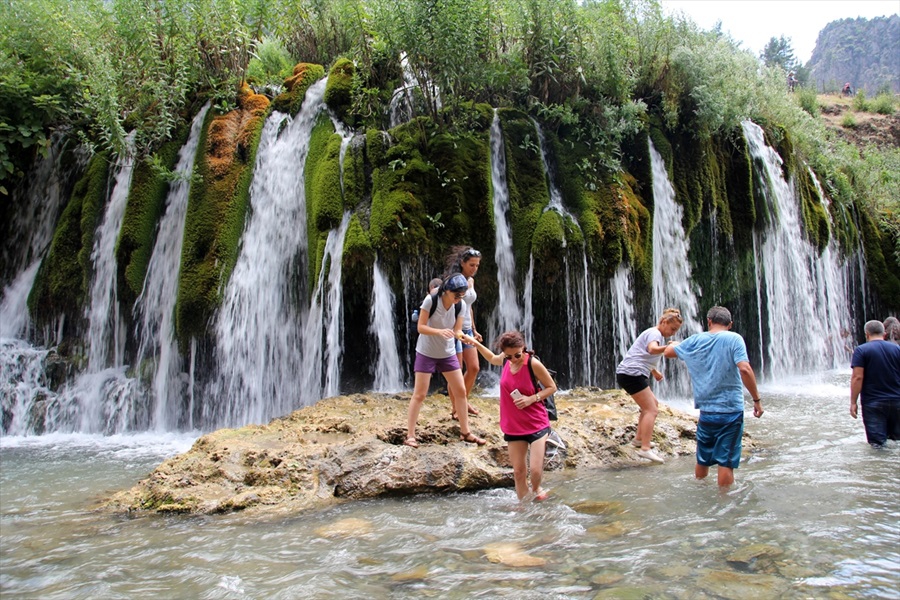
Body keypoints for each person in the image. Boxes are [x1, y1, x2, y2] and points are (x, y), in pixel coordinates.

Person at [663, 306, 763, 487]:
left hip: (706, 411)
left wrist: (676, 344)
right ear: (730, 324)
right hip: (730, 411)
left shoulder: (695, 340)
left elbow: (668, 353)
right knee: (725, 462)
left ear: (709, 321)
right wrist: (756, 400)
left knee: (703, 458)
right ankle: (724, 504)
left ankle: (700, 489)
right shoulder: (734, 339)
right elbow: (745, 369)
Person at [462, 330, 557, 501]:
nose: (513, 359)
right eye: (509, 356)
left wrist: (531, 399)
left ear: (524, 348)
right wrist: (474, 343)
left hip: (536, 422)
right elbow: (491, 357)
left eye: (517, 355)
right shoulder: (505, 360)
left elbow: (551, 387)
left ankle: (536, 489)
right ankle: (524, 509)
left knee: (535, 471)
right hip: (513, 424)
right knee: (519, 472)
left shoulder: (532, 364)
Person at [405, 274, 486, 448]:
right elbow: (421, 327)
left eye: (461, 296)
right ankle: (410, 435)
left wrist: (462, 337)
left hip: (447, 353)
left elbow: (457, 330)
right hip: (426, 352)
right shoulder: (431, 300)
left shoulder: (460, 305)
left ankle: (466, 432)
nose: (458, 299)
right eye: (456, 295)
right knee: (419, 394)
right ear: (446, 291)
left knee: (460, 391)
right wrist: (439, 331)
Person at [616, 308, 684, 464]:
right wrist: (670, 348)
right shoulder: (655, 334)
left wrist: (653, 370)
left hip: (631, 373)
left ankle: (639, 439)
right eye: (673, 329)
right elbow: (651, 349)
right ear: (664, 322)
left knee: (652, 404)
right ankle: (645, 449)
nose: (673, 333)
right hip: (631, 374)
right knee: (651, 409)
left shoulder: (653, 333)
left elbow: (640, 354)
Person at [849, 320, 900, 447]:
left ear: (867, 334)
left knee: (877, 445)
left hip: (873, 404)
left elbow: (857, 377)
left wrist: (853, 402)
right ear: (884, 333)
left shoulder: (861, 350)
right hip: (897, 401)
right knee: (897, 442)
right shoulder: (897, 349)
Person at [447, 246, 483, 418]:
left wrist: (474, 330)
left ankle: (463, 401)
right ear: (462, 262)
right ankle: (456, 408)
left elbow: (469, 307)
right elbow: (449, 305)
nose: (474, 269)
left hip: (467, 328)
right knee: (457, 371)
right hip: (455, 329)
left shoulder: (471, 281)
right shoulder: (454, 280)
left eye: (477, 265)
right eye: (471, 265)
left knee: (474, 367)